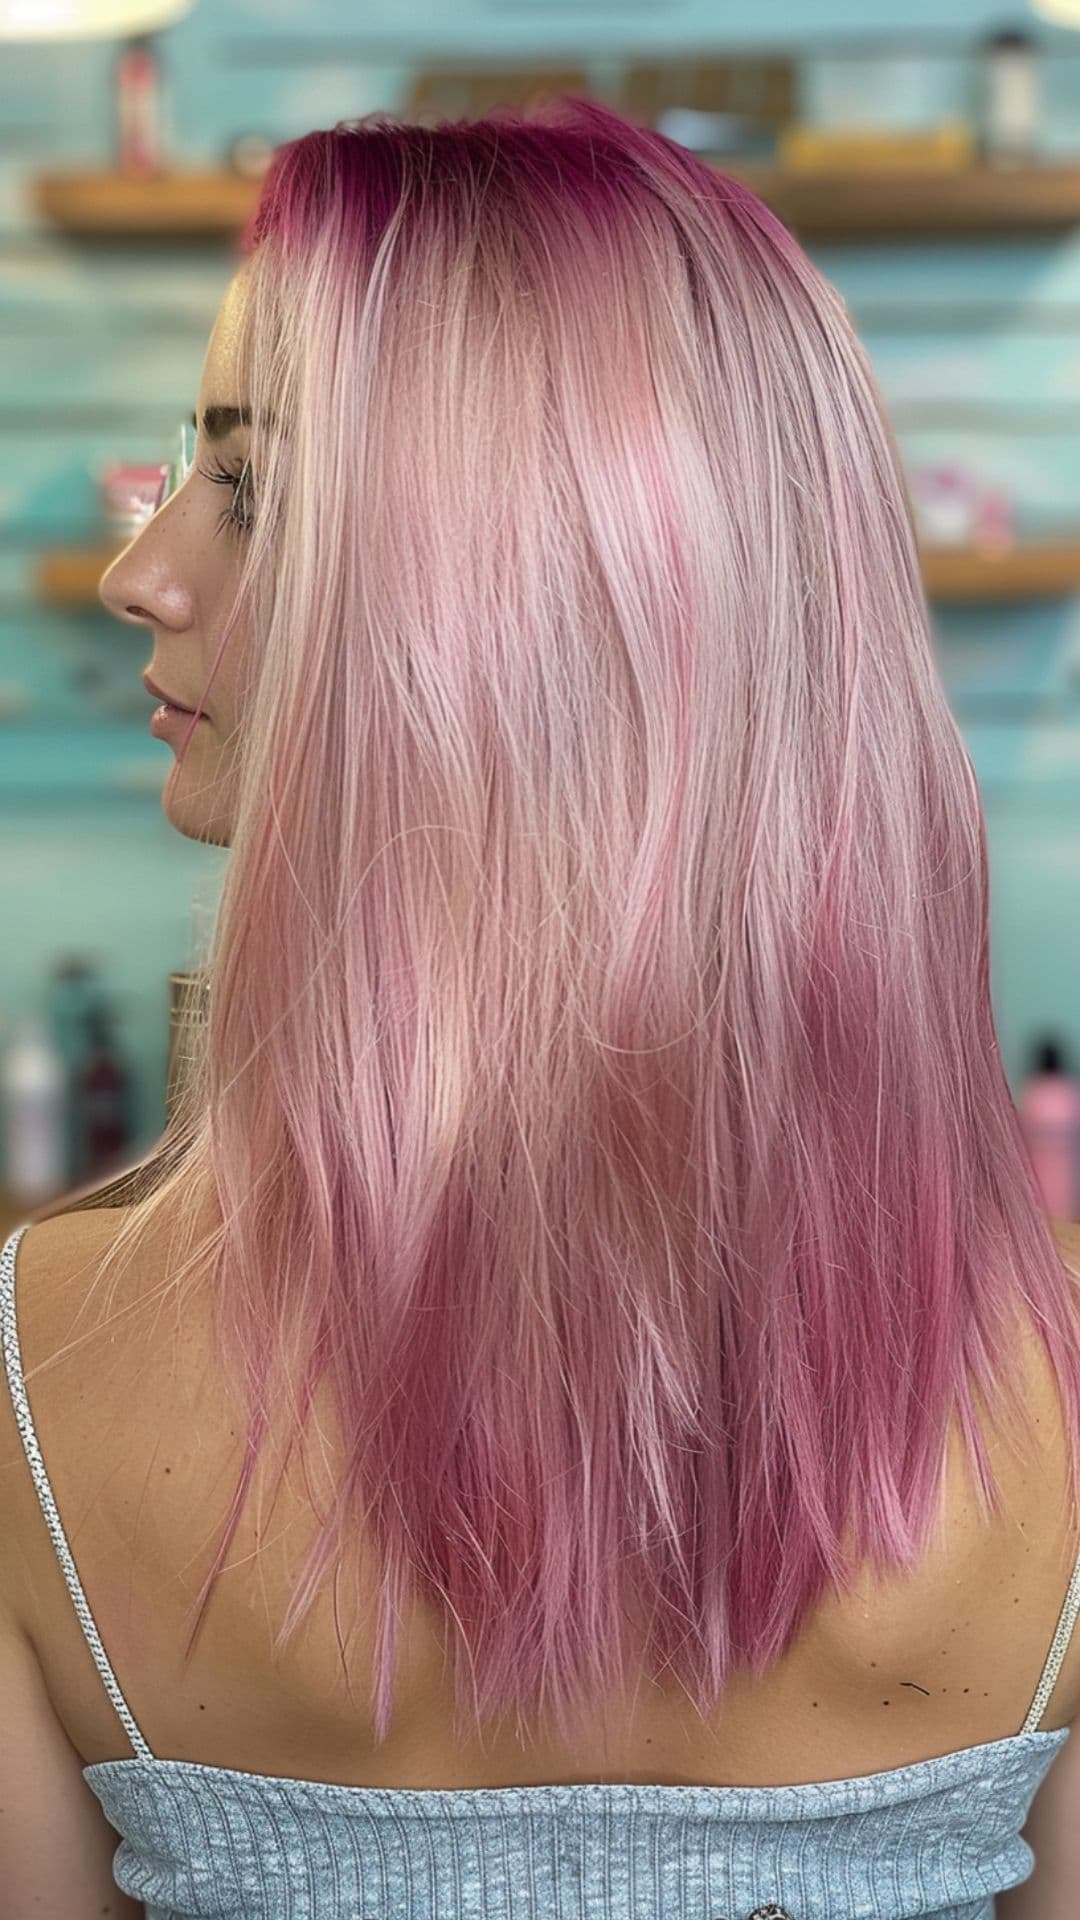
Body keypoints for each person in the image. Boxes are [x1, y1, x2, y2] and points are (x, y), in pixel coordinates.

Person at [1, 95, 1078, 1920]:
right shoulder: (1051, 1394)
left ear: (502, 607)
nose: (145, 571)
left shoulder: (38, 1375)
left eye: (248, 487)